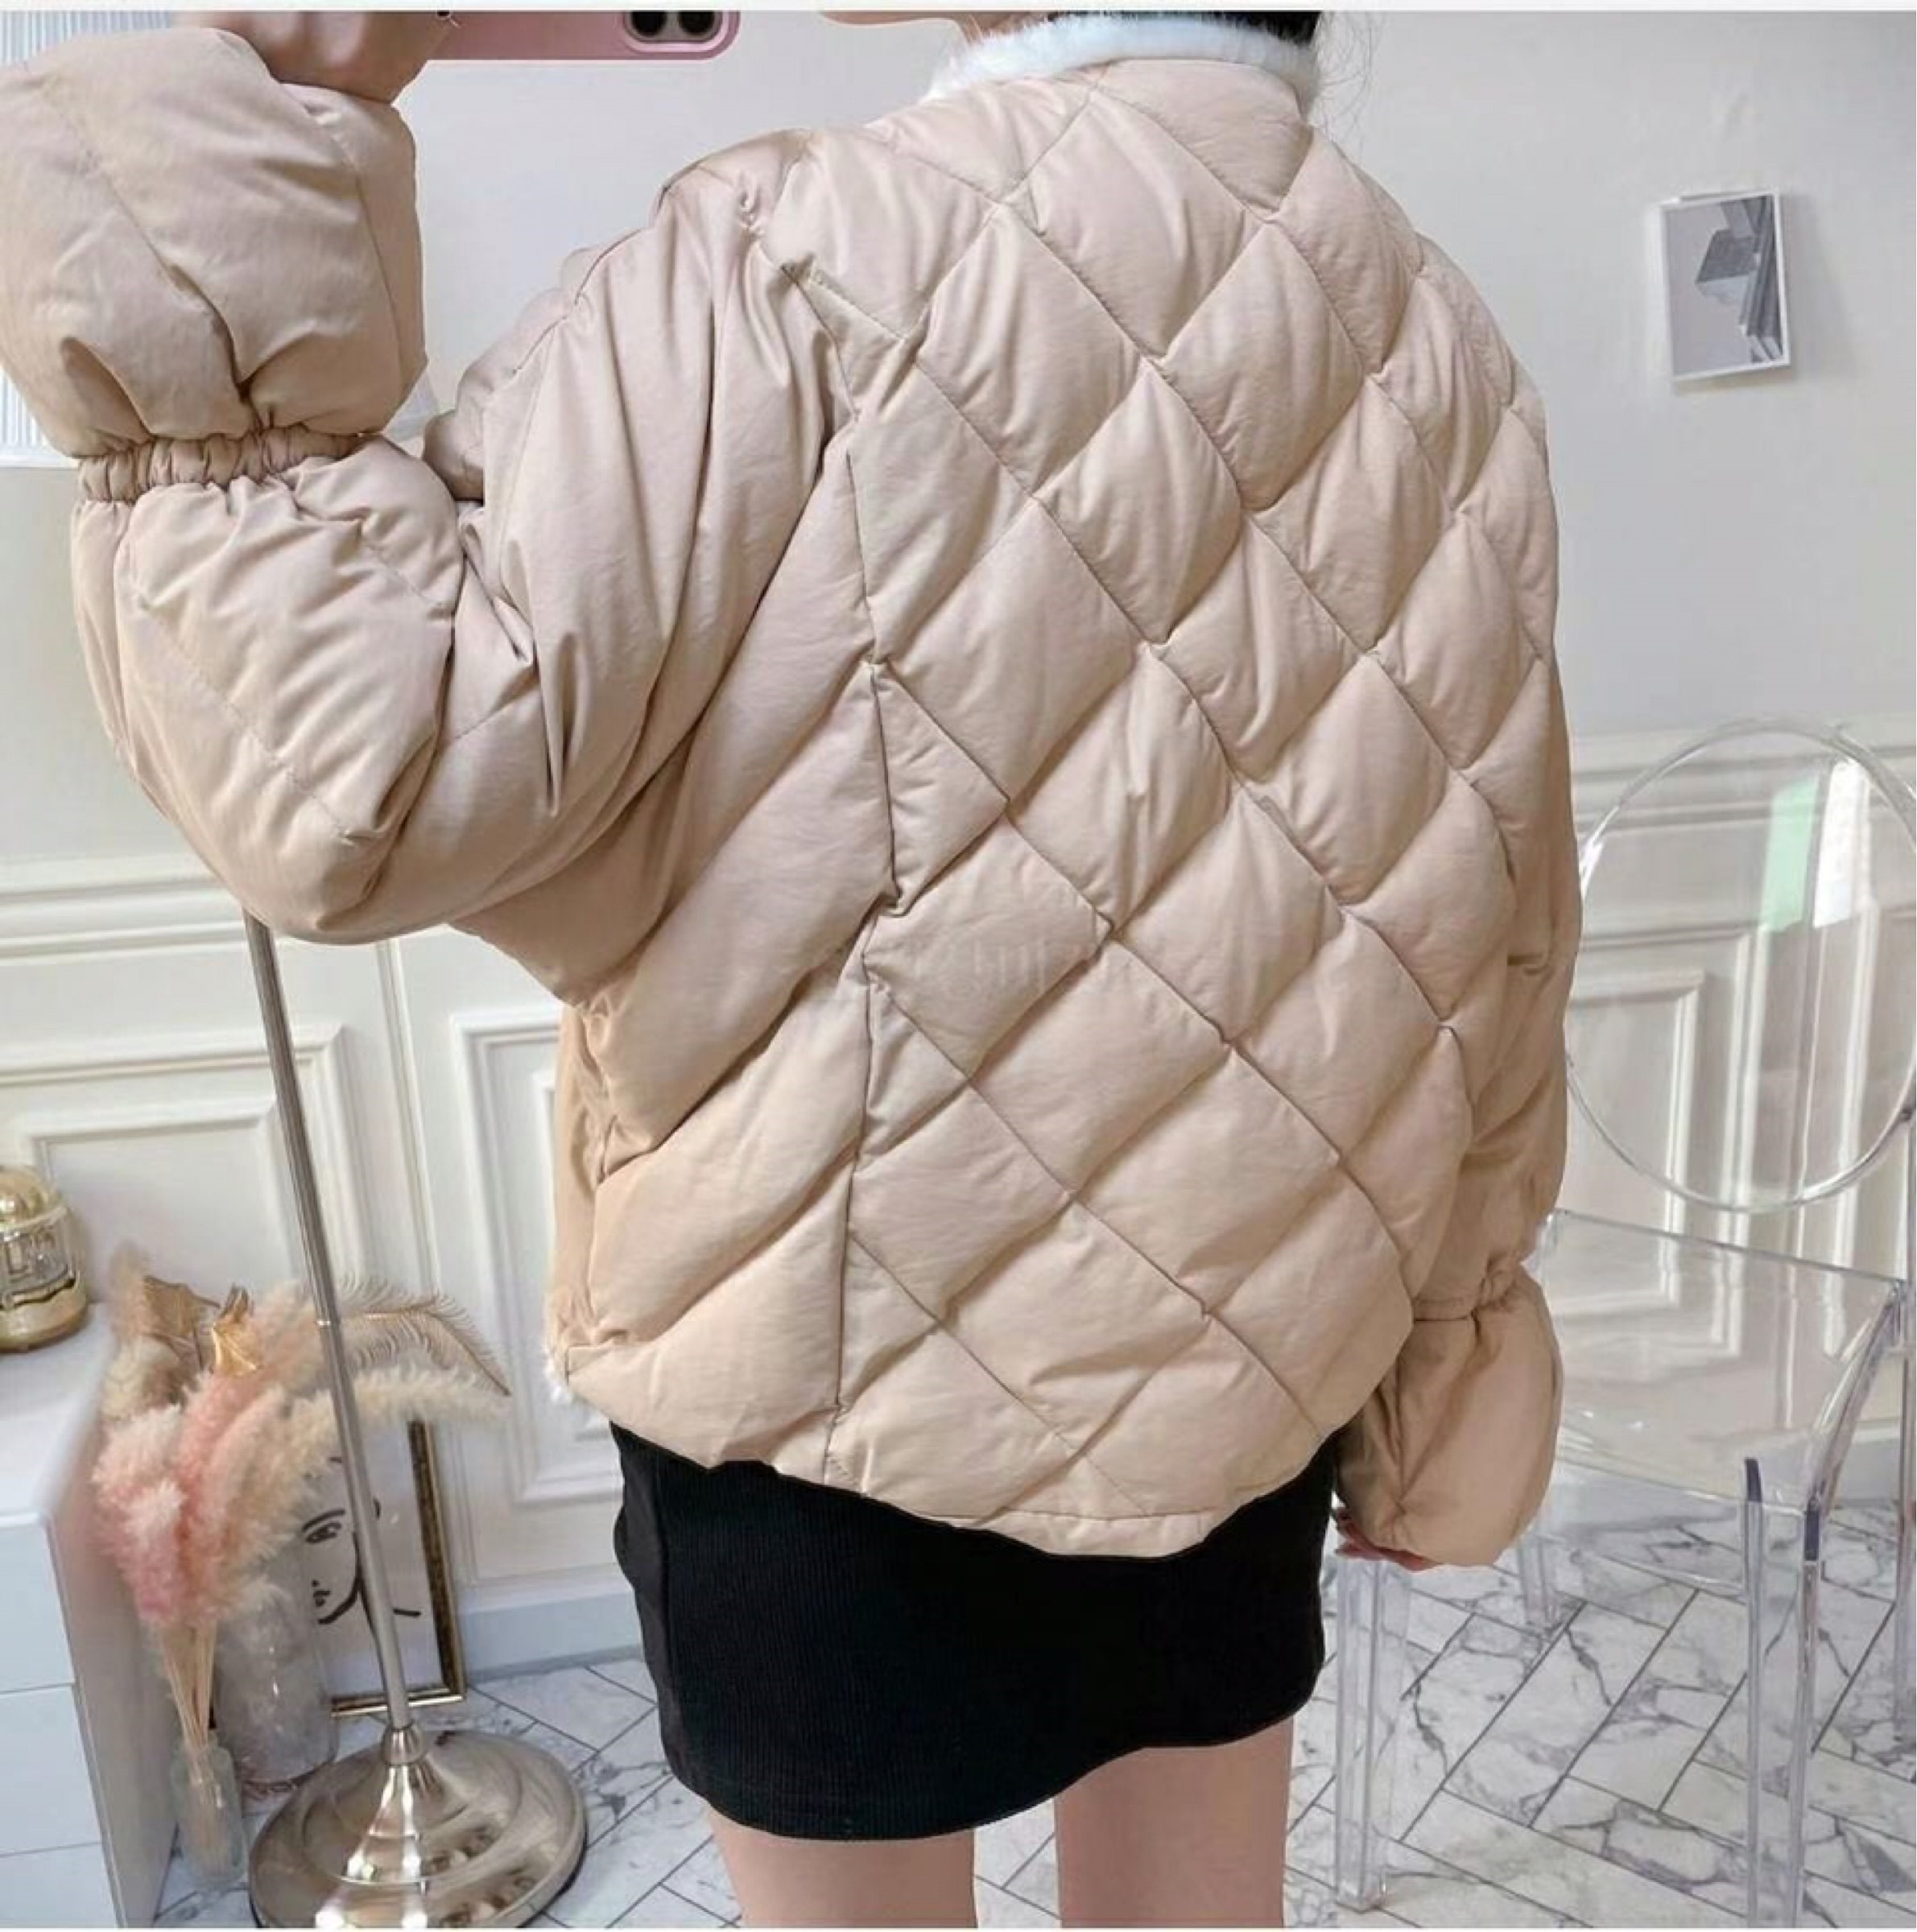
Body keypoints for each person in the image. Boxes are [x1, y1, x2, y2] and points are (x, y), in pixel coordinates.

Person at [0, 8, 1580, 1925]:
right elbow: (1497, 928)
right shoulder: (1437, 332)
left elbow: (368, 777)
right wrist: (1440, 1384)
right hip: (1253, 1369)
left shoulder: (787, 259)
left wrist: (252, 113)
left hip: (827, 1417)